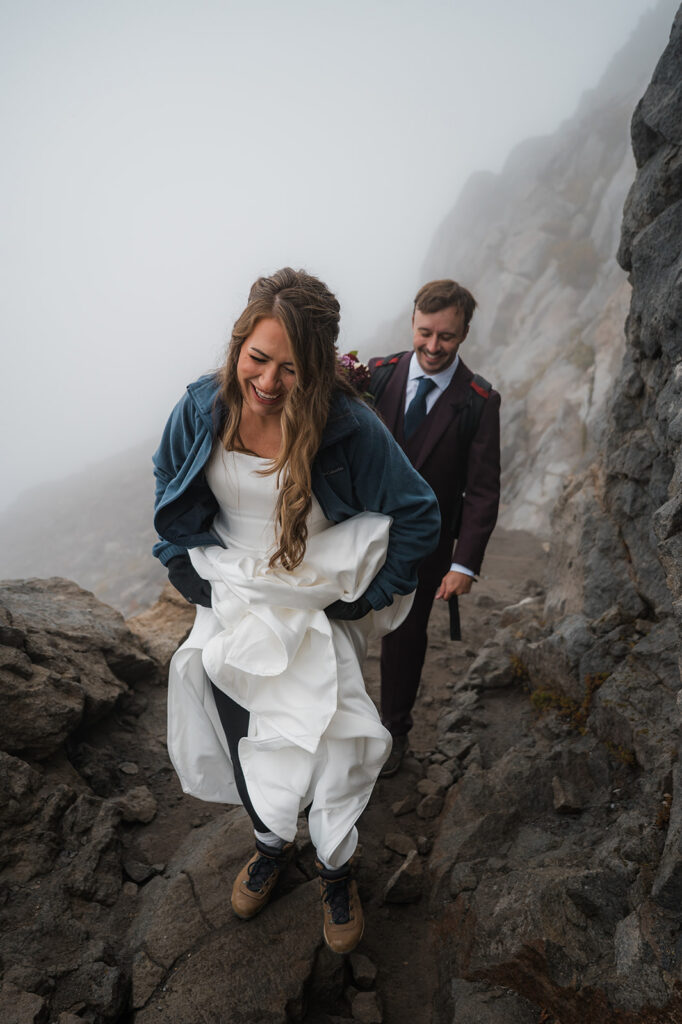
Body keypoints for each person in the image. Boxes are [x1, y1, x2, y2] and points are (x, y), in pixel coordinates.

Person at [152, 267, 440, 955]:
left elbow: (419, 514)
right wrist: (177, 561)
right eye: (258, 358)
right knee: (242, 726)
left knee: (335, 743)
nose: (270, 382)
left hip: (310, 596)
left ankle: (338, 870)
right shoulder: (201, 406)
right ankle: (272, 844)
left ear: (314, 368)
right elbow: (167, 475)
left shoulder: (347, 427)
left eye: (291, 367)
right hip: (229, 593)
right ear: (238, 343)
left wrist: (365, 600)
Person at [368, 279, 500, 777]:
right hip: (354, 532)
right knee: (333, 628)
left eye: (446, 336)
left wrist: (464, 562)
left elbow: (483, 489)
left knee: (404, 635)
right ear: (413, 321)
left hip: (427, 546)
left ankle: (393, 733)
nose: (433, 346)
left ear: (464, 332)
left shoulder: (479, 401)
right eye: (425, 332)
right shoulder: (375, 376)